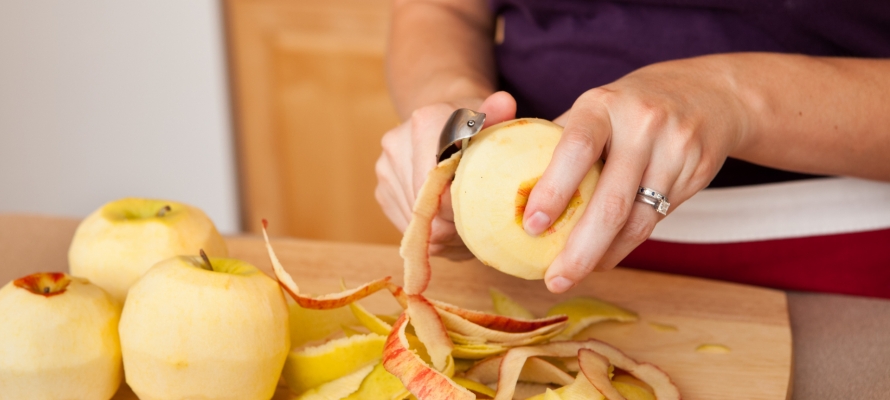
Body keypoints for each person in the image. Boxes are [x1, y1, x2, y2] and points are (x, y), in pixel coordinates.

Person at [375, 0, 890, 298]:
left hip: (832, 273)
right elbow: (441, 10)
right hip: (526, 279)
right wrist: (450, 112)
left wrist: (737, 97)